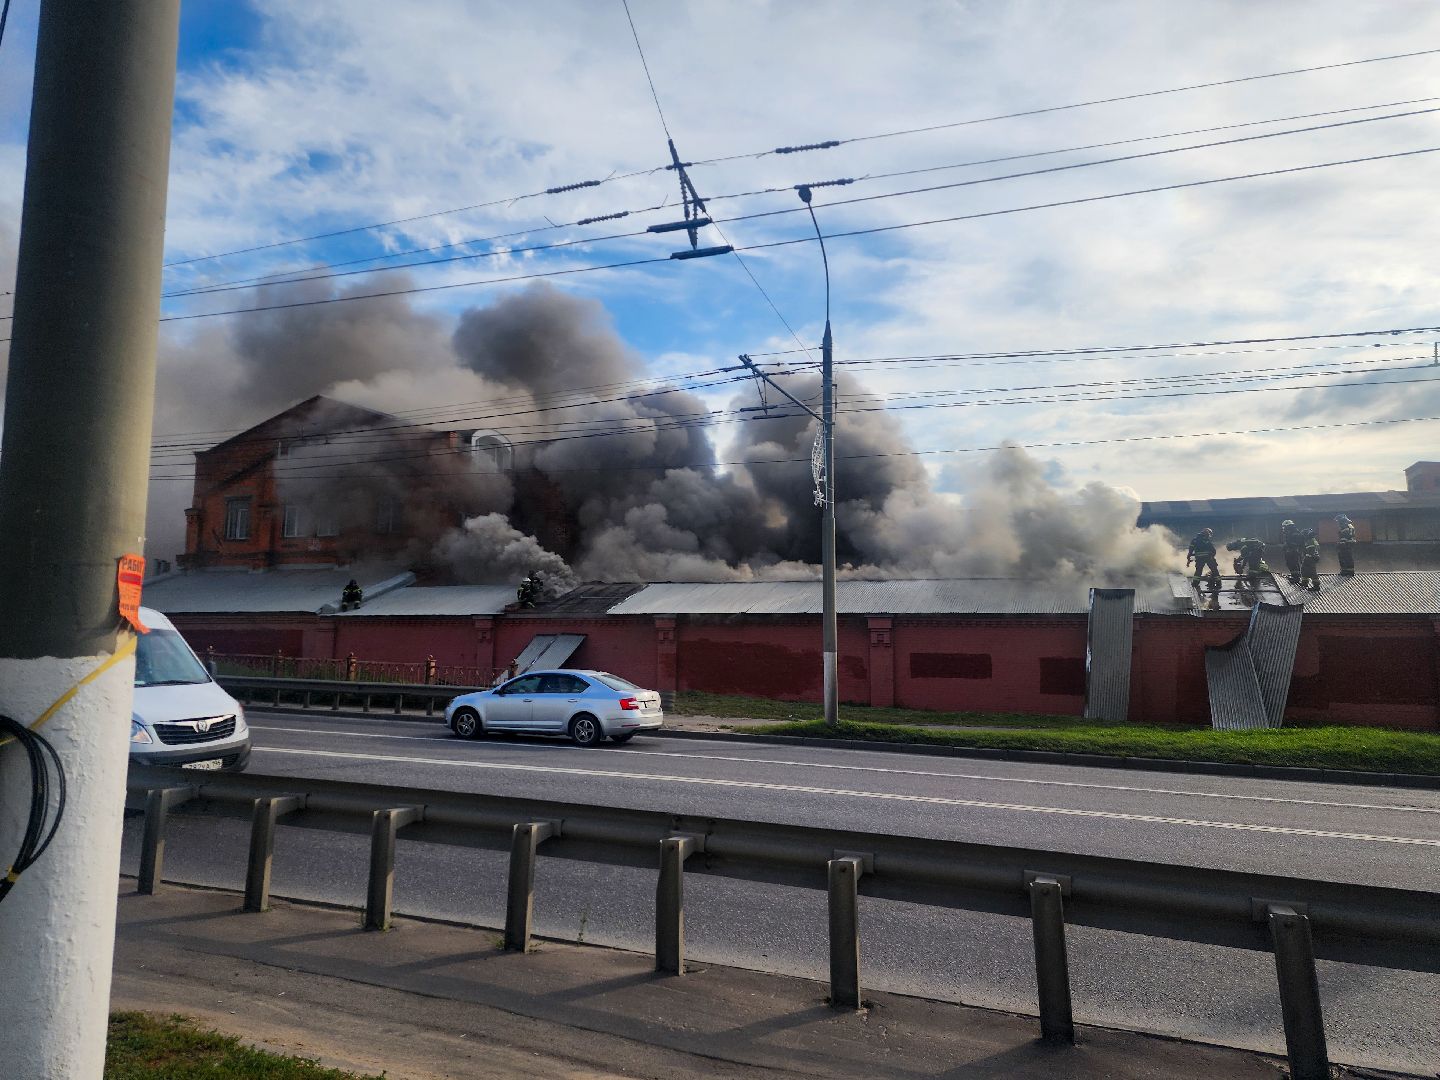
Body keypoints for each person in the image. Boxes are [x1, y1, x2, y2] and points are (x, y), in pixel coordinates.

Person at [1280, 519, 1303, 584]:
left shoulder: (1295, 533)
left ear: (1288, 526)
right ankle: (1294, 576)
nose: (1283, 528)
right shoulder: (1289, 533)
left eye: (1284, 527)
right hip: (1289, 551)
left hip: (1293, 551)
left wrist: (1290, 545)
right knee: (1290, 563)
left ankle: (1296, 578)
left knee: (1293, 564)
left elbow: (1298, 543)